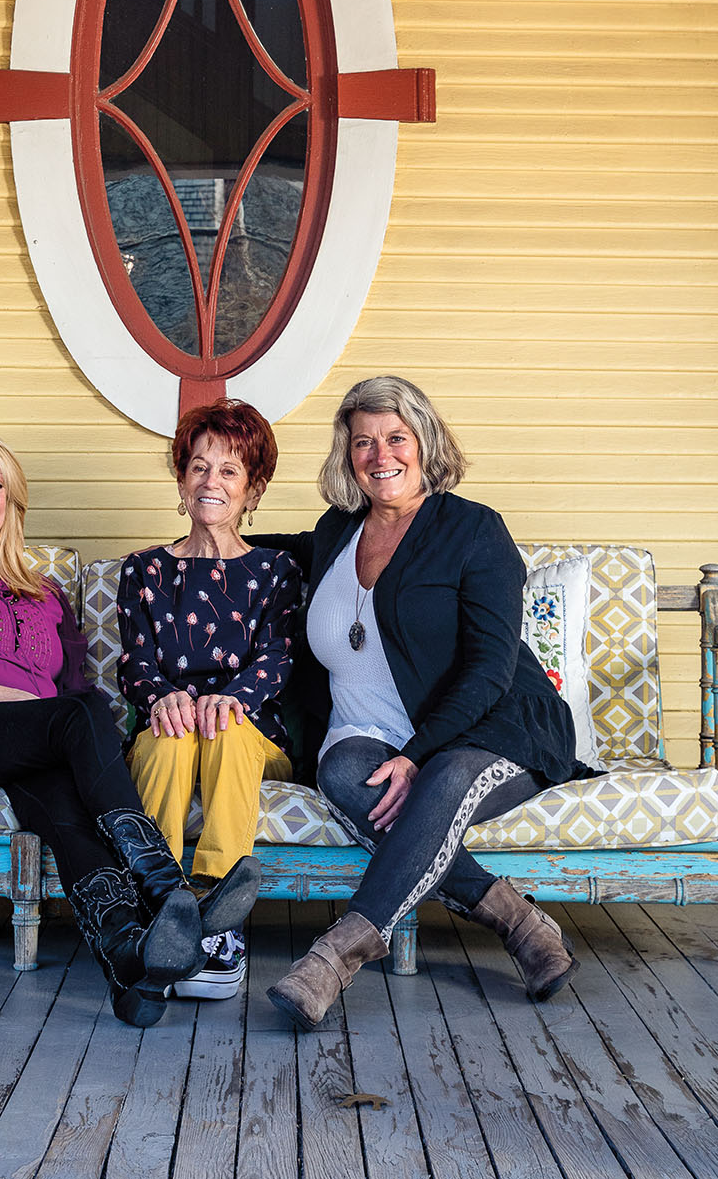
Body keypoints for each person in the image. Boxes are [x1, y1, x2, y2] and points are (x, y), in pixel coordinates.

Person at [0, 427, 260, 1028]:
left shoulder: (42, 592)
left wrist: (63, 724)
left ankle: (131, 969)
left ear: (11, 500)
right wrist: (24, 700)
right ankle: (167, 885)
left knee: (68, 809)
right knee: (78, 714)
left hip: (33, 742)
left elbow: (74, 688)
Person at [252, 377, 585, 1031]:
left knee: (445, 776)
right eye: (364, 442)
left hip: (491, 730)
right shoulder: (336, 531)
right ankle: (517, 919)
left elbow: (490, 669)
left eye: (396, 438)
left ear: (424, 441)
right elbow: (285, 552)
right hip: (366, 734)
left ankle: (334, 956)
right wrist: (208, 541)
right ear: (348, 456)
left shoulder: (473, 530)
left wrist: (417, 752)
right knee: (344, 773)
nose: (381, 456)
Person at [118, 399, 301, 998]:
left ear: (253, 489)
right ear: (181, 477)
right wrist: (164, 699)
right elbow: (136, 661)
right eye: (199, 466)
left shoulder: (276, 570)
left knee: (218, 730)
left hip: (251, 735)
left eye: (229, 470)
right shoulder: (143, 570)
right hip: (170, 727)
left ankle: (218, 919)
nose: (211, 482)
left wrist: (233, 700)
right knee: (171, 737)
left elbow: (279, 656)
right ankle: (160, 915)